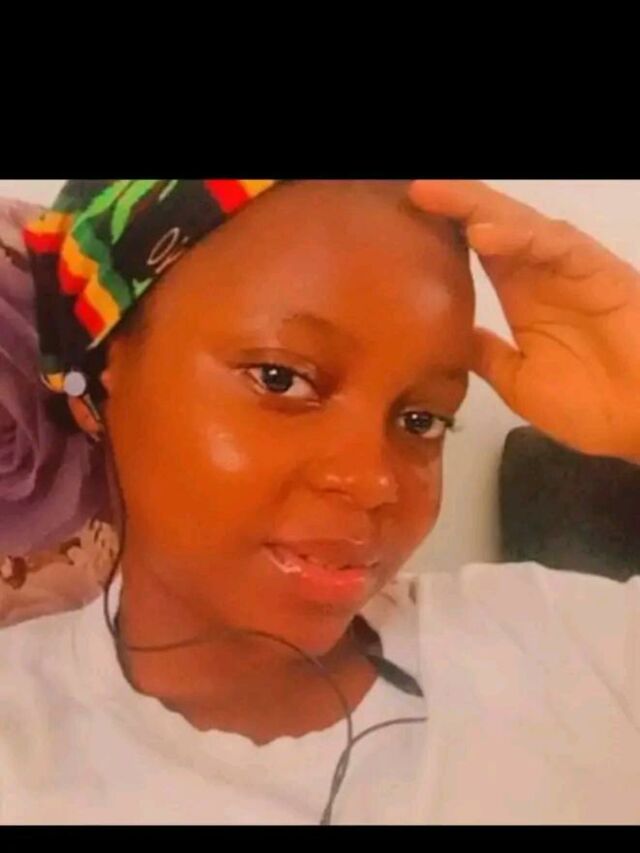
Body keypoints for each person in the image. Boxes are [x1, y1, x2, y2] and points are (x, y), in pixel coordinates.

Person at [0, 179, 638, 825]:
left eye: (422, 419)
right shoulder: (20, 749)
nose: (372, 481)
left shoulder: (562, 650)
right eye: (280, 378)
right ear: (99, 377)